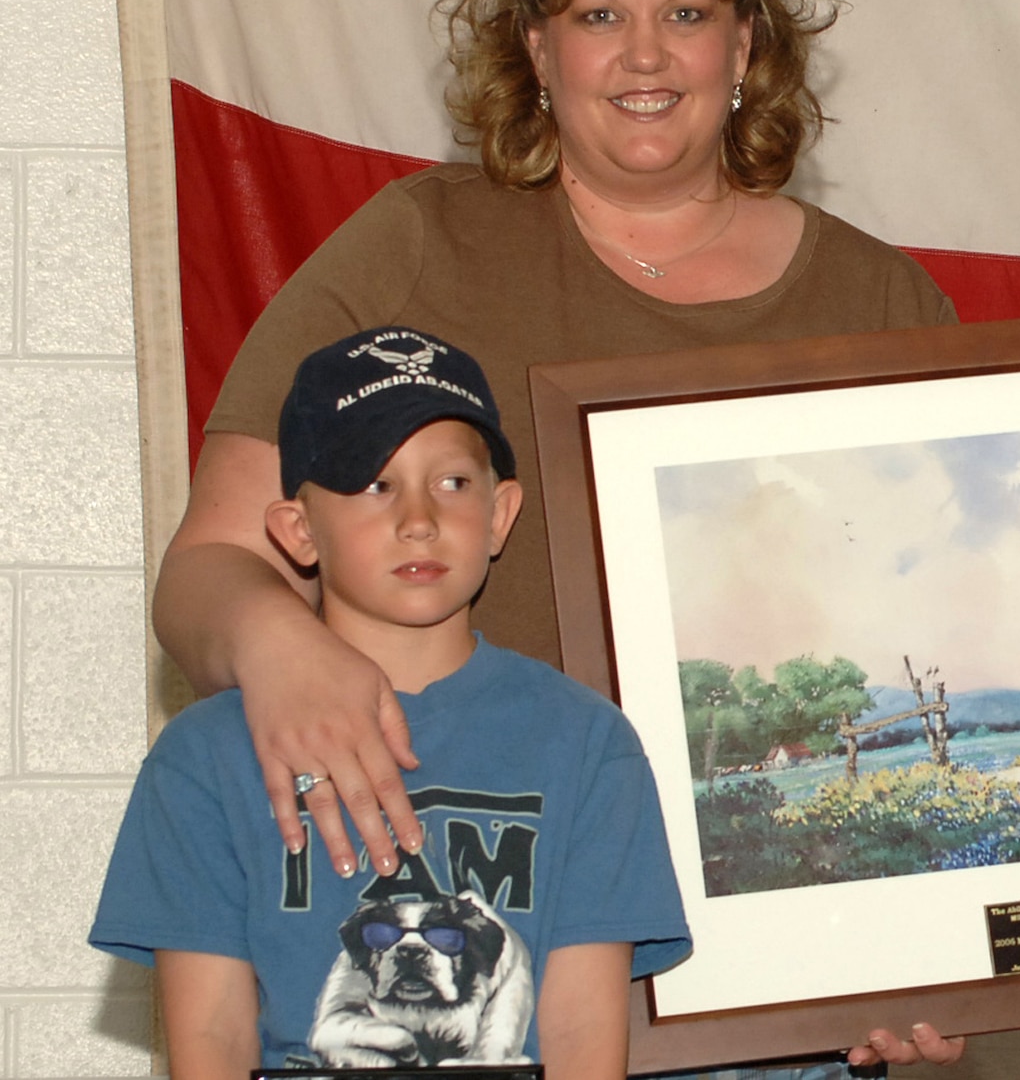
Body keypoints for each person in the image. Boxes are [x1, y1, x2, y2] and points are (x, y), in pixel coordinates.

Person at [151, 0, 962, 1072]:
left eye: (684, 11)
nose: (643, 55)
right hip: (470, 990)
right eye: (599, 13)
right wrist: (276, 645)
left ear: (744, 45)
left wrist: (940, 953)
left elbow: (935, 635)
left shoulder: (884, 299)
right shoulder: (415, 246)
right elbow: (208, 564)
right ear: (536, 48)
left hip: (780, 1003)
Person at [94, 326, 690, 1074]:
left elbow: (579, 1032)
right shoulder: (202, 758)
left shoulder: (589, 743)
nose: (418, 518)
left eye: (453, 482)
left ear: (502, 513)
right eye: (375, 484)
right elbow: (210, 1032)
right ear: (298, 530)